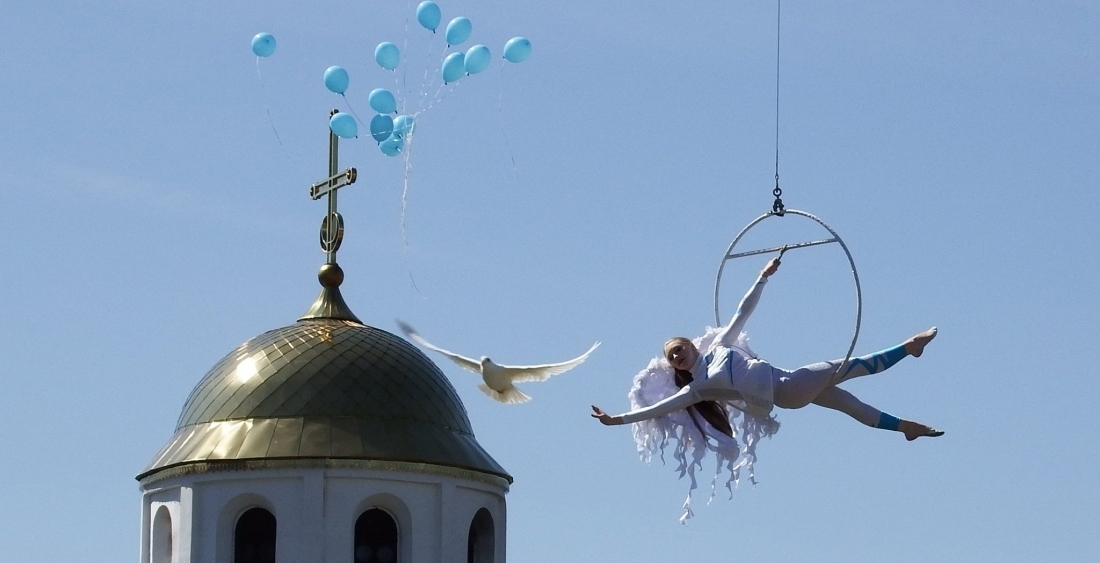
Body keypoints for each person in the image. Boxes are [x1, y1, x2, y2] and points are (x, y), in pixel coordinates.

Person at [591, 255, 944, 441]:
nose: (676, 355)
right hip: (786, 391)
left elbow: (742, 311)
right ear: (677, 367)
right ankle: (909, 348)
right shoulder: (699, 388)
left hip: (789, 381)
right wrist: (616, 420)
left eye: (679, 348)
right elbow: (658, 409)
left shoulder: (719, 346)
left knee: (853, 406)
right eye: (672, 356)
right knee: (850, 365)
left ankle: (906, 429)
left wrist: (762, 276)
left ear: (691, 346)